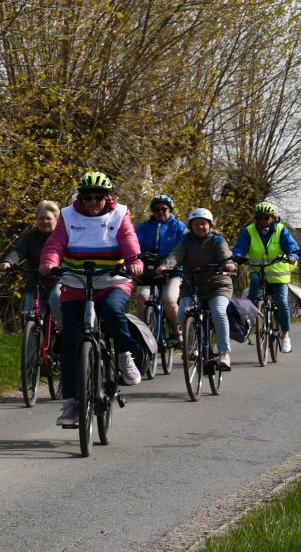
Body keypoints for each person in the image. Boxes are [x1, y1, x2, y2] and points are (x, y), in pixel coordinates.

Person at [39, 171, 145, 428]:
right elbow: (56, 243)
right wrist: (49, 263)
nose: (93, 202)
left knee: (111, 310)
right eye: (88, 197)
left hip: (113, 281)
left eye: (99, 197)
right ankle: (72, 403)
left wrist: (134, 262)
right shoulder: (68, 215)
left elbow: (128, 239)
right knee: (70, 340)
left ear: (107, 197)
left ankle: (124, 354)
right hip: (76, 282)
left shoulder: (120, 213)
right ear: (81, 198)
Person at [162, 208, 237, 370]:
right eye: (196, 224)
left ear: (209, 225)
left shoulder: (217, 240)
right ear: (191, 226)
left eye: (203, 224)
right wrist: (166, 266)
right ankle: (192, 347)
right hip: (192, 286)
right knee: (183, 311)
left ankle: (224, 353)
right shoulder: (186, 240)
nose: (200, 227)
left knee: (218, 311)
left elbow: (225, 254)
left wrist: (228, 264)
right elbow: (176, 254)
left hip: (218, 285)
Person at [233, 201, 301, 353]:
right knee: (252, 293)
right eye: (260, 218)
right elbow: (240, 247)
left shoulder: (281, 230)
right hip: (258, 271)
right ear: (256, 219)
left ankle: (285, 335)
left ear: (273, 218)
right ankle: (248, 324)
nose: (263, 221)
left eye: (267, 218)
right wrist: (238, 255)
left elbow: (292, 246)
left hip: (278, 274)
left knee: (282, 303)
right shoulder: (249, 231)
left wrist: (292, 255)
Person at [132, 194, 186, 347]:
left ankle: (177, 331)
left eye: (164, 209)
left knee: (169, 299)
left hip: (173, 271)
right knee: (142, 296)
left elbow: (184, 247)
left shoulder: (179, 227)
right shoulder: (145, 227)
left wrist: (171, 264)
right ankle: (142, 334)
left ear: (170, 210)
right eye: (157, 209)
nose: (161, 212)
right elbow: (134, 244)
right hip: (149, 269)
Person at [0, 201, 62, 324]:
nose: (44, 221)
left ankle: (65, 334)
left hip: (58, 281)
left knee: (56, 299)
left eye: (48, 218)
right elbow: (18, 251)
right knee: (28, 317)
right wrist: (8, 262)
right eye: (41, 218)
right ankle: (32, 340)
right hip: (35, 281)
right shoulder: (29, 236)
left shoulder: (62, 236)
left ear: (56, 220)